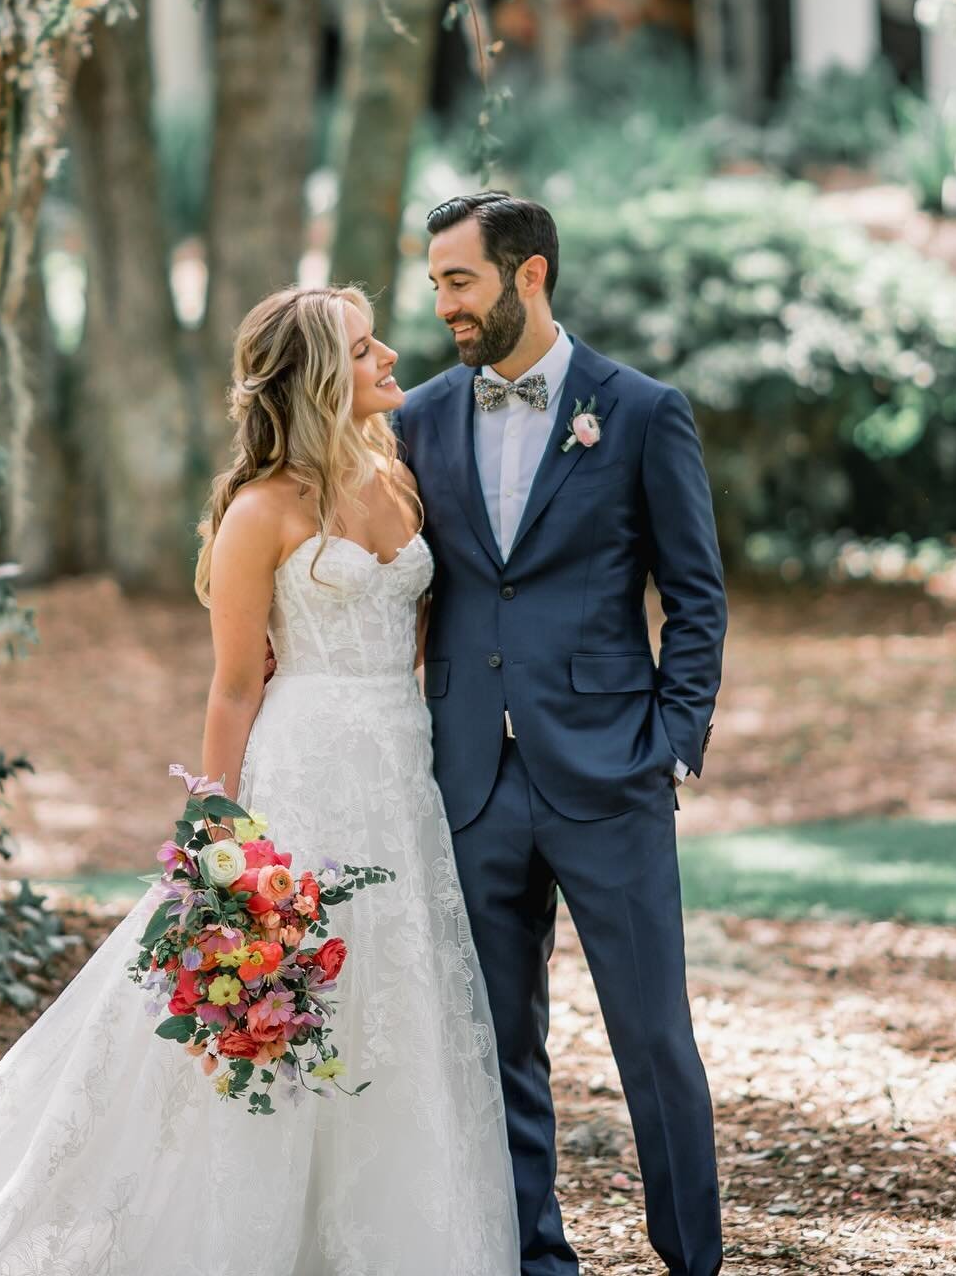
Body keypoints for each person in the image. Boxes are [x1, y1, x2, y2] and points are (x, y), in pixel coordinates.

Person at [0, 285, 520, 1276]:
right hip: (304, 767)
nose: (390, 355)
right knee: (278, 992)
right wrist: (218, 833)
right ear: (316, 377)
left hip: (402, 771)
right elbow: (231, 685)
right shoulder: (261, 511)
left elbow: (417, 633)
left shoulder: (398, 481)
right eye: (362, 348)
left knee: (393, 991)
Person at [396, 192, 726, 1276]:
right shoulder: (422, 419)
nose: (441, 301)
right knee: (496, 1045)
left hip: (611, 770)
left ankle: (691, 1257)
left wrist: (673, 740)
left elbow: (695, 594)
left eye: (458, 280)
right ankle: (534, 1257)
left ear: (528, 274)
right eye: (436, 280)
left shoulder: (639, 412)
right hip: (470, 779)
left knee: (654, 1043)